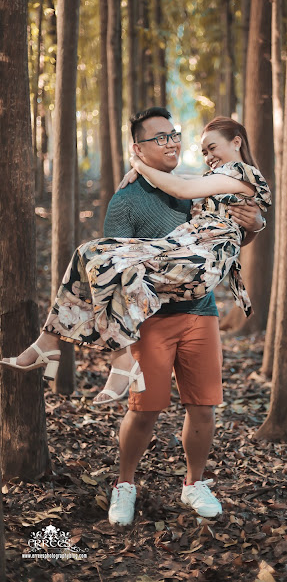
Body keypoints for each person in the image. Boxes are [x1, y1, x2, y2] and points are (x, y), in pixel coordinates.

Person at [1, 108, 268, 523]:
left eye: (174, 135)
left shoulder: (194, 185)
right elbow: (112, 270)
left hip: (200, 310)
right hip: (152, 317)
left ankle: (194, 484)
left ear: (235, 143)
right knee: (92, 258)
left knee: (203, 406)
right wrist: (137, 173)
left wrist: (257, 224)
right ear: (138, 147)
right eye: (159, 138)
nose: (172, 143)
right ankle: (124, 482)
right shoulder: (127, 201)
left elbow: (225, 233)